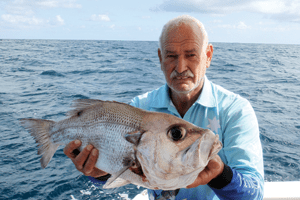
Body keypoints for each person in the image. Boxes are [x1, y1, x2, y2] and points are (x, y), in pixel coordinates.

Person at [64, 15, 264, 199]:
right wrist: (96, 173)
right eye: (171, 56)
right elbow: (119, 169)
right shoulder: (140, 107)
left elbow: (254, 192)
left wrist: (220, 174)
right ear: (160, 58)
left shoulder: (235, 110)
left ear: (208, 56)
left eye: (191, 55)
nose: (180, 67)